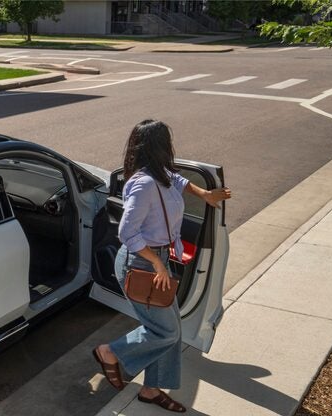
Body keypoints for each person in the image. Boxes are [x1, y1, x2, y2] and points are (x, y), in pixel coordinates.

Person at [92, 119, 231, 413]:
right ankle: (110, 352)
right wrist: (157, 264)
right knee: (166, 332)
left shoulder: (163, 175)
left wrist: (204, 194)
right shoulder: (142, 184)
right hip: (140, 263)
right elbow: (127, 233)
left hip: (156, 259)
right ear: (160, 147)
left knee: (169, 329)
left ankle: (151, 390)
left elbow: (180, 181)